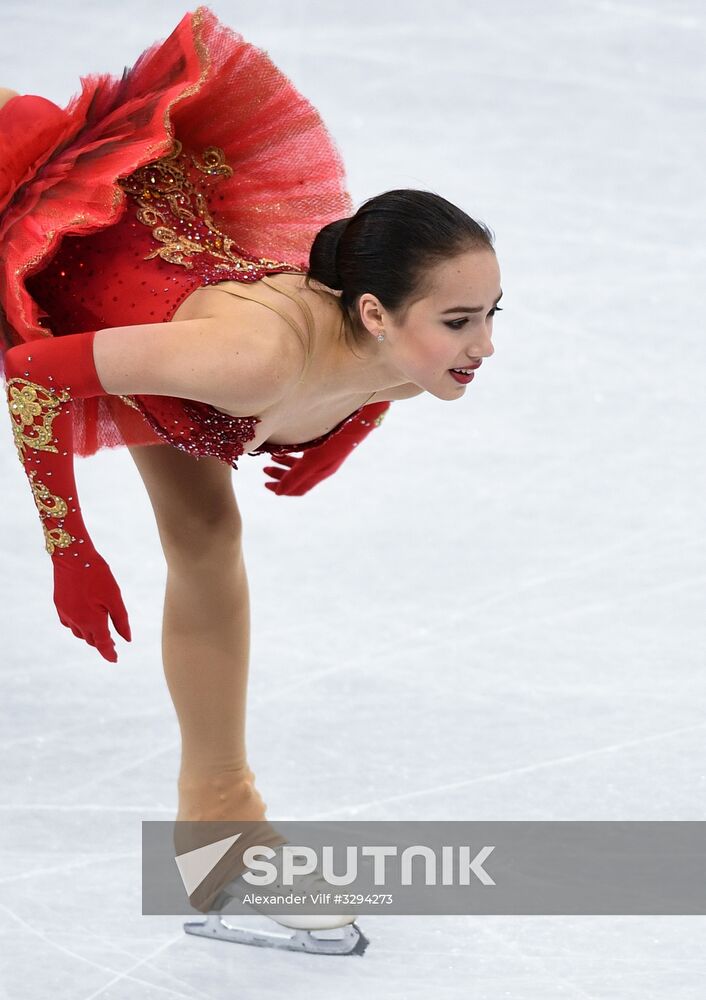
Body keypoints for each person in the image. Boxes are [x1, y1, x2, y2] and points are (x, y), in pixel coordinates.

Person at [0, 7, 501, 955]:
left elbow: (379, 376)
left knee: (206, 542)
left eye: (490, 313)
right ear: (374, 309)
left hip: (159, 318)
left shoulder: (397, 358)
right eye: (462, 321)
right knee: (208, 541)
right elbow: (29, 375)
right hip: (48, 238)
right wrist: (70, 547)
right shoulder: (249, 363)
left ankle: (223, 842)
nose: (485, 346)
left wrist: (343, 433)